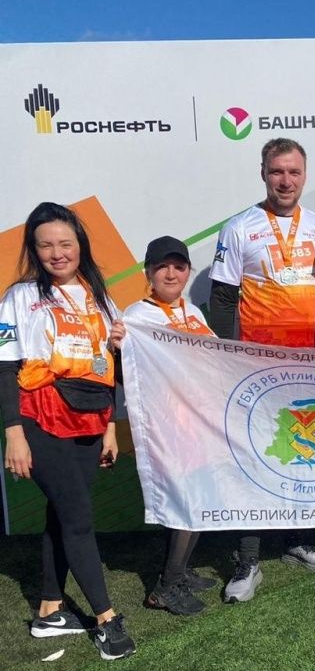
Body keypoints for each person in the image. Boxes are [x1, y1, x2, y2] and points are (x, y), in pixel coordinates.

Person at [0, 202, 134, 660]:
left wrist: (111, 428)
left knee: (61, 514)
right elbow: (5, 367)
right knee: (78, 517)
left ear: (81, 246)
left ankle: (49, 611)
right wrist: (13, 433)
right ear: (34, 250)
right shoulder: (19, 297)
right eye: (46, 245)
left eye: (65, 243)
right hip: (40, 417)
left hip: (91, 420)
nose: (57, 253)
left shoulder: (102, 298)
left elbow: (108, 369)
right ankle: (106, 619)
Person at [209, 138, 315, 603]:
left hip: (311, 364)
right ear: (263, 173)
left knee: (303, 452)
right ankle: (248, 560)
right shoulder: (239, 227)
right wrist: (229, 360)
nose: (286, 181)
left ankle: (297, 539)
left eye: (294, 172)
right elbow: (222, 301)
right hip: (258, 368)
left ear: (305, 175)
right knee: (253, 461)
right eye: (277, 171)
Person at [124, 236, 218, 616]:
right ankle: (165, 587)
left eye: (179, 266)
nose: (171, 273)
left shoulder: (192, 311)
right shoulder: (137, 316)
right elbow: (127, 372)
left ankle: (180, 572)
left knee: (199, 496)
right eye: (162, 266)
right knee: (186, 500)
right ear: (148, 272)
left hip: (198, 422)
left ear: (188, 272)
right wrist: (116, 347)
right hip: (168, 426)